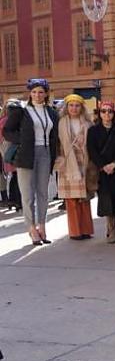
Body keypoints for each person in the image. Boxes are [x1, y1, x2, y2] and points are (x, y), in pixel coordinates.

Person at [2, 79, 59, 245]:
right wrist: (23, 140)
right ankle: (31, 228)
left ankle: (42, 226)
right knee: (27, 195)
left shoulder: (51, 112)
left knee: (43, 193)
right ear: (29, 93)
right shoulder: (21, 111)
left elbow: (54, 135)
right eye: (34, 92)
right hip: (26, 154)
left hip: (46, 153)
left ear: (46, 93)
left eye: (41, 92)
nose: (37, 95)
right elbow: (7, 131)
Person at [87, 101, 115, 243]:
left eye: (109, 111)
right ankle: (111, 230)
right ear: (99, 113)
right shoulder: (93, 130)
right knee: (106, 199)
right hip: (101, 170)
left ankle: (112, 228)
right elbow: (92, 150)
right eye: (103, 111)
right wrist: (103, 166)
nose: (107, 114)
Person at [55, 94, 95, 240]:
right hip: (68, 164)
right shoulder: (61, 122)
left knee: (84, 198)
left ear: (82, 107)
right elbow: (59, 144)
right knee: (71, 200)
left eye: (77, 105)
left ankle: (86, 230)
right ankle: (75, 232)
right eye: (71, 105)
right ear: (66, 107)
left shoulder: (87, 123)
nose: (74, 108)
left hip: (84, 162)